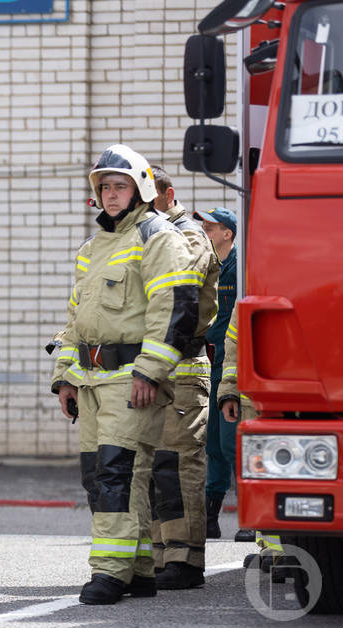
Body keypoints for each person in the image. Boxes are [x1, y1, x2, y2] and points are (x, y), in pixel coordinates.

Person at [51, 144, 197, 605]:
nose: (111, 194)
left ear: (142, 188)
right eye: (105, 187)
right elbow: (77, 318)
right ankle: (137, 569)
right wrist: (65, 376)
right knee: (103, 476)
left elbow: (174, 309)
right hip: (92, 380)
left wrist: (151, 373)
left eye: (120, 185)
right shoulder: (94, 246)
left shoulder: (157, 237)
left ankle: (108, 574)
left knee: (118, 472)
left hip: (131, 377)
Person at [149, 167, 219, 589]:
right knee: (157, 463)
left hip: (183, 365)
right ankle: (163, 555)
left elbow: (178, 294)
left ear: (167, 195)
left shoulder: (188, 235)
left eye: (146, 196)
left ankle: (186, 559)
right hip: (154, 364)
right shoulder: (150, 235)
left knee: (178, 462)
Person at [192, 208, 247, 541]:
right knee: (212, 441)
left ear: (228, 233)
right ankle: (210, 517)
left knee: (232, 442)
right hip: (209, 361)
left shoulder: (241, 265)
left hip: (233, 364)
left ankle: (248, 517)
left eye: (210, 227)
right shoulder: (205, 264)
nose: (204, 231)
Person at [217, 317, 285, 570]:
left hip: (291, 390)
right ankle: (271, 549)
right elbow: (234, 341)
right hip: (254, 397)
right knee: (261, 473)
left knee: (280, 472)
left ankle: (284, 552)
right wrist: (229, 391)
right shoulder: (253, 282)